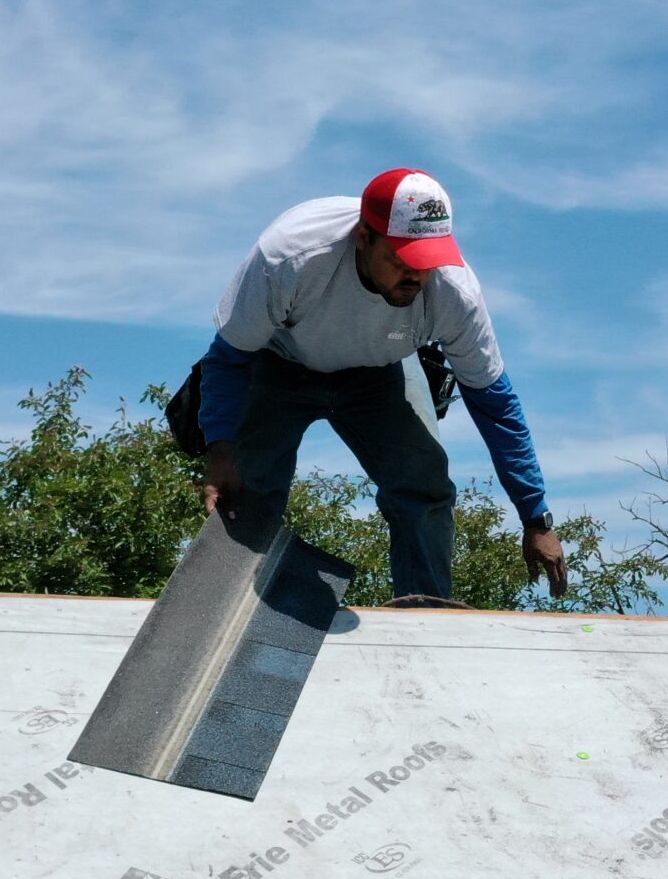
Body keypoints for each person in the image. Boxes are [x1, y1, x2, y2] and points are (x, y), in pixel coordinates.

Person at [194, 168, 566, 603]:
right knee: (245, 489)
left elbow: (495, 405)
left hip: (379, 372)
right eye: (402, 259)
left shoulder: (454, 293)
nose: (417, 275)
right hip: (279, 364)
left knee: (423, 481)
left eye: (427, 262)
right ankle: (231, 608)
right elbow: (228, 360)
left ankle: (426, 610)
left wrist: (536, 518)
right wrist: (221, 454)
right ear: (363, 237)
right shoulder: (289, 258)